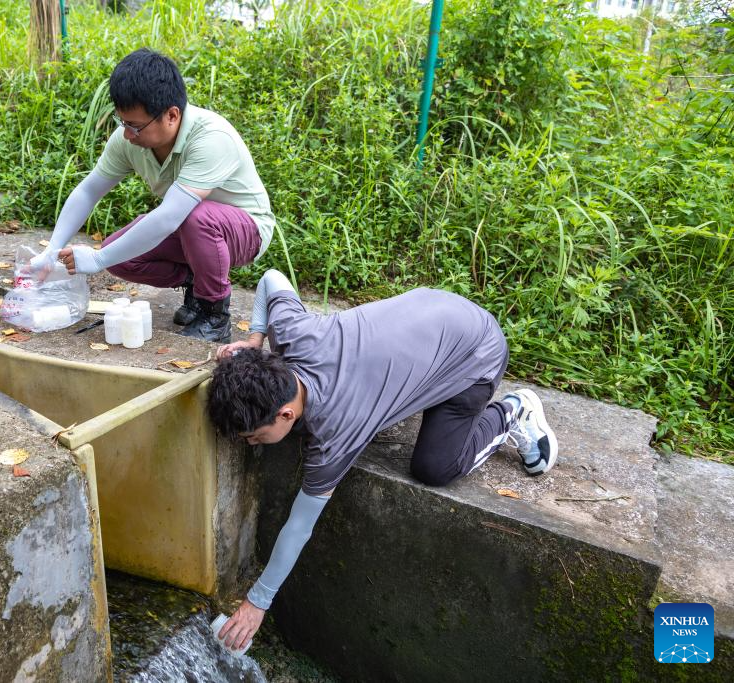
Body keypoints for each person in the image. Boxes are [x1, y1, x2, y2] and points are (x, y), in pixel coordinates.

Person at [207, 269, 559, 651]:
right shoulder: (294, 332)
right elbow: (272, 278)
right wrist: (254, 340)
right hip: (434, 312)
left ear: (286, 415)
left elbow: (300, 525)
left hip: (476, 350)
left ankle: (511, 413)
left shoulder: (337, 432)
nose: (251, 444)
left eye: (255, 437)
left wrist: (258, 601)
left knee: (435, 467)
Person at [28, 48, 276, 343]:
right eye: (123, 123)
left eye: (135, 125)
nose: (127, 135)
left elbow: (170, 216)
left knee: (195, 216)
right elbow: (89, 190)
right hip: (190, 229)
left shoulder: (211, 138)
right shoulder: (129, 139)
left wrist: (96, 259)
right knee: (119, 256)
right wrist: (52, 250)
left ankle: (214, 315)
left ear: (172, 115)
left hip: (245, 231)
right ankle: (197, 287)